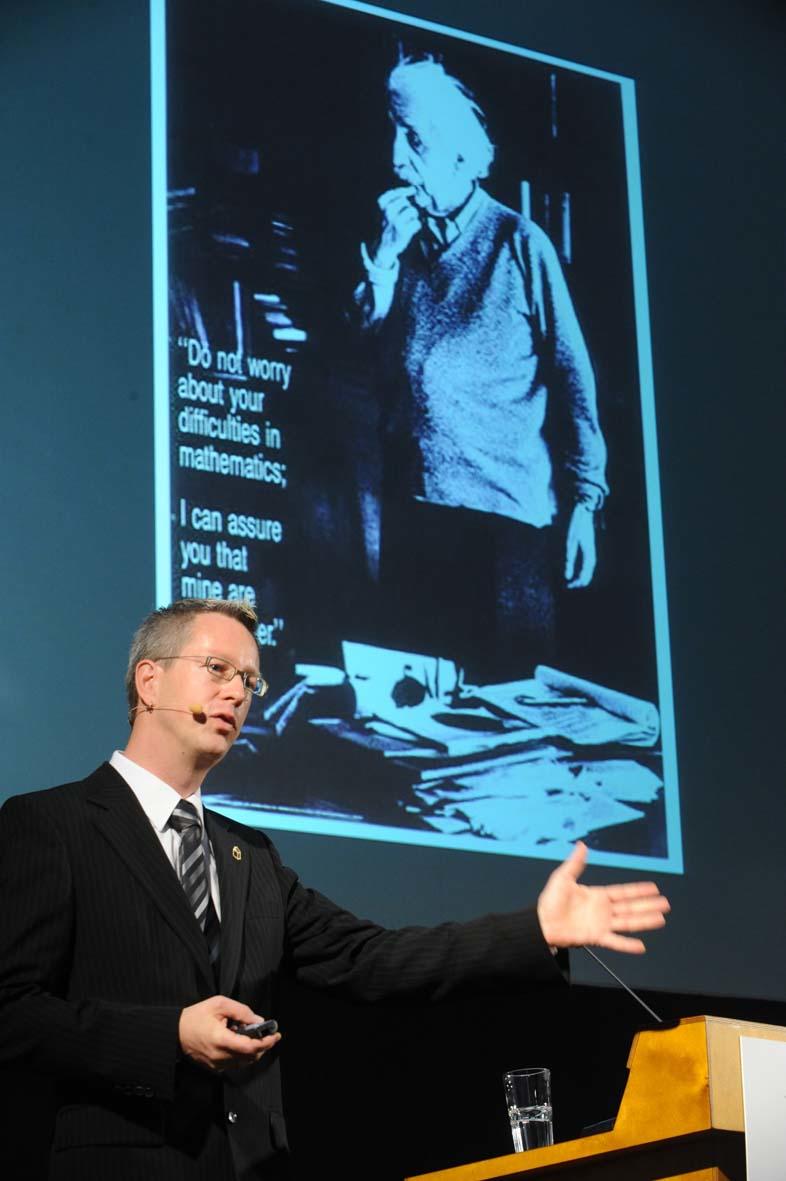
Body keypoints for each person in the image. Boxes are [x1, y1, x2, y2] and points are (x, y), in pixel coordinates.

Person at [0, 598, 669, 1180]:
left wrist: (535, 931)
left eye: (250, 681)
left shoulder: (251, 857)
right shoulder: (53, 824)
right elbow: (12, 1012)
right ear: (149, 680)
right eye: (217, 669)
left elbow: (371, 958)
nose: (238, 693)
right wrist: (170, 1035)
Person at [355, 58, 608, 681]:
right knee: (416, 702)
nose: (396, 158)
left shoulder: (519, 243)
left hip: (505, 527)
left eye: (415, 140)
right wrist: (383, 262)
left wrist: (585, 501)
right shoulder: (401, 242)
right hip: (418, 512)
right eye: (394, 134)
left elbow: (575, 380)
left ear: (463, 158)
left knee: (505, 704)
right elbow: (360, 350)